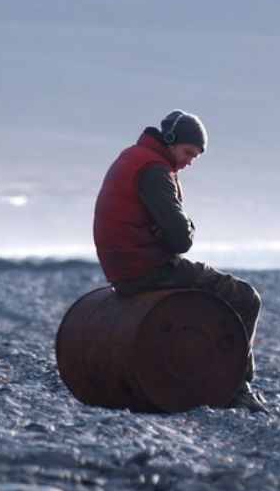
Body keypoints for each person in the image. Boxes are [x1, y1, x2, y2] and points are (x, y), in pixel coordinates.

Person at [92, 110, 267, 413]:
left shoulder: (134, 157)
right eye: (188, 153)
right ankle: (238, 385)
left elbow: (173, 231)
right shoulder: (154, 170)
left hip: (122, 268)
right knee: (245, 297)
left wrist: (172, 228)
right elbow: (182, 241)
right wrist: (177, 229)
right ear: (171, 140)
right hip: (146, 267)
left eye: (195, 158)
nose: (188, 162)